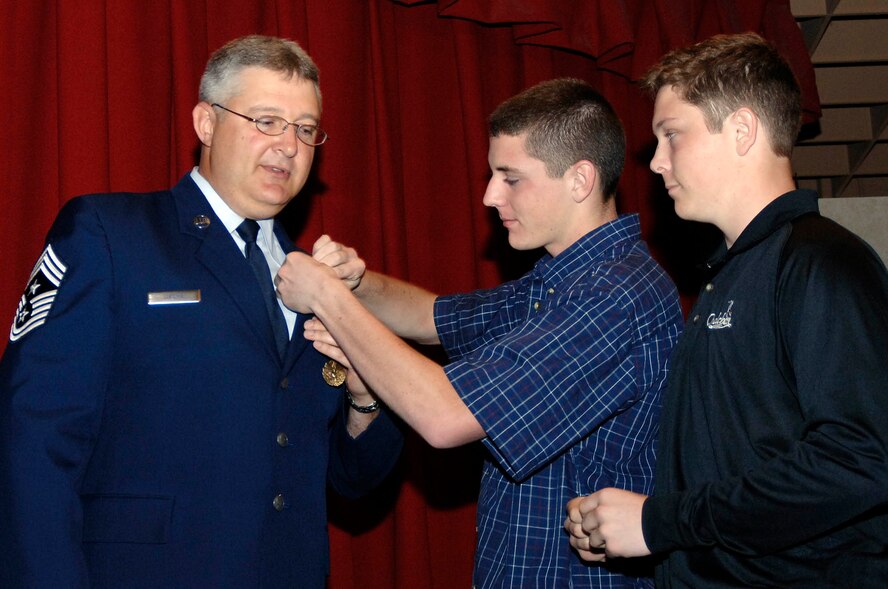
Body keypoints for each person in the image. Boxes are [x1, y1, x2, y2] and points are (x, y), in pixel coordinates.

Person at [0, 34, 402, 588]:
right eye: (267, 121)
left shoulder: (317, 280)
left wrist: (363, 397)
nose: (289, 146)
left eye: (306, 129)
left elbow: (350, 479)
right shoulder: (110, 235)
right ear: (206, 123)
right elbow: (33, 443)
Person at [275, 78, 684, 588]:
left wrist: (326, 298)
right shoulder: (558, 279)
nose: (490, 196)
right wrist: (355, 282)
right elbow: (431, 317)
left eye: (511, 178)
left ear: (580, 180)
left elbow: (444, 417)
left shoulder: (614, 295)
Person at [564, 32, 888, 588]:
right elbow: (743, 465)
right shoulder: (729, 277)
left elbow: (860, 462)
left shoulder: (822, 262)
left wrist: (661, 522)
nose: (656, 162)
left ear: (741, 130)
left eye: (671, 135)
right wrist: (637, 522)